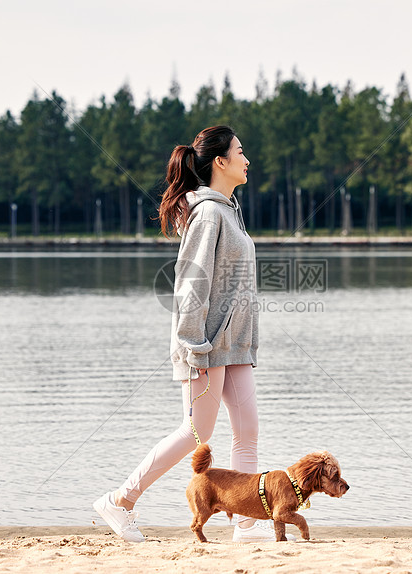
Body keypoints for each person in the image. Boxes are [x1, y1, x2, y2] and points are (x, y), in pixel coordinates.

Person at [94, 126, 290, 543]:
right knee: (196, 434)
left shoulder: (228, 209)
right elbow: (190, 285)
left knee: (248, 430)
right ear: (220, 161)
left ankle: (246, 525)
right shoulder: (208, 213)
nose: (247, 159)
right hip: (204, 345)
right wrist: (193, 344)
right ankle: (120, 500)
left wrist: (245, 340)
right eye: (241, 151)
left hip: (233, 346)